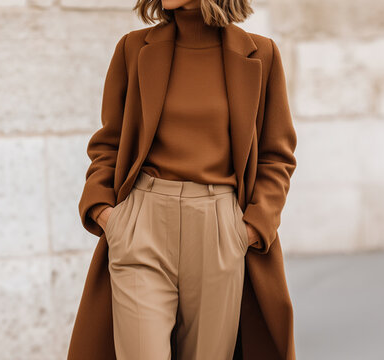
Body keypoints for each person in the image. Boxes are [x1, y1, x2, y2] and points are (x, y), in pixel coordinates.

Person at [70, 0, 298, 359]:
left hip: (220, 230)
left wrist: (252, 228)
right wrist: (103, 212)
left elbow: (277, 154)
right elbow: (108, 143)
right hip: (141, 225)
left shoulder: (261, 54)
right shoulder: (134, 49)